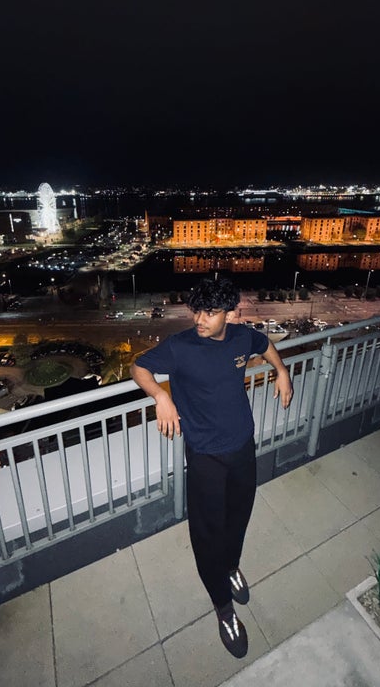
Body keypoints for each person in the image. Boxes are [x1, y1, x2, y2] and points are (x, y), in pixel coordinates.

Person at [129, 277, 293, 659]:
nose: (200, 319)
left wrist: (282, 370)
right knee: (207, 533)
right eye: (197, 311)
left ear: (230, 314)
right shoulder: (181, 347)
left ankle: (231, 567)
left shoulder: (241, 337)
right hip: (205, 456)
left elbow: (264, 344)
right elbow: (138, 367)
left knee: (238, 517)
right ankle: (223, 607)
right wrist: (160, 397)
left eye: (210, 312)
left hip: (243, 446)